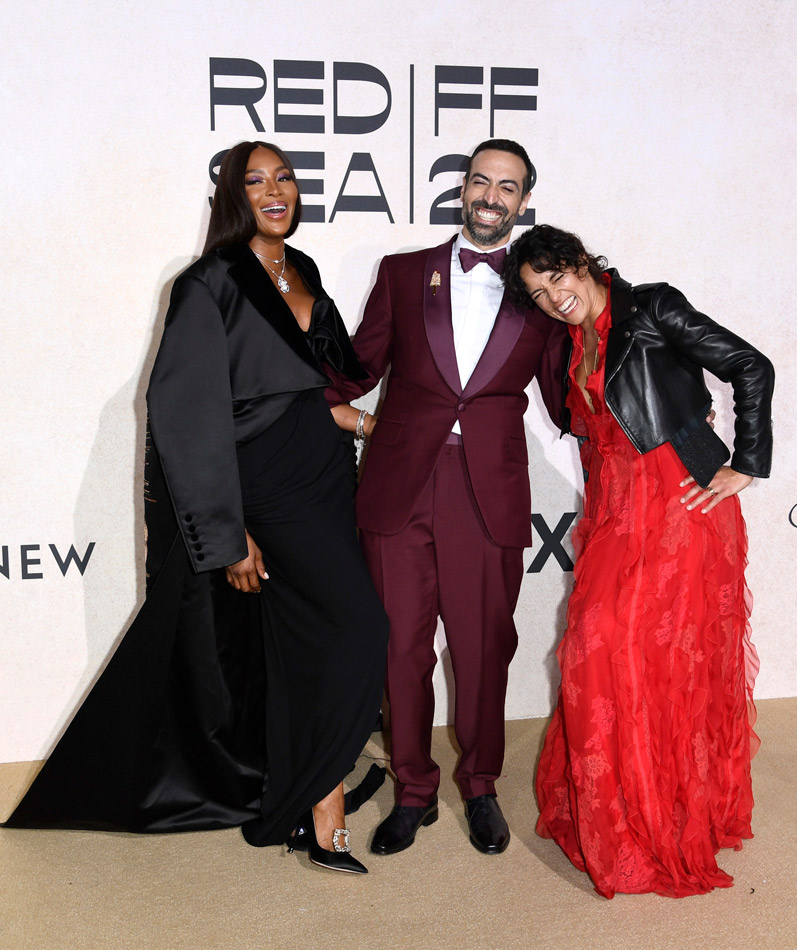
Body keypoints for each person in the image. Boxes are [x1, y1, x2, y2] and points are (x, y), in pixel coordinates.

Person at [5, 141, 389, 875]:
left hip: (323, 475)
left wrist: (373, 425)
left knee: (305, 646)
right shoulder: (207, 282)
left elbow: (311, 389)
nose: (275, 190)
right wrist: (226, 534)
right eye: (256, 180)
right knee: (361, 629)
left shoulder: (300, 268)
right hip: (267, 489)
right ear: (231, 196)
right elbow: (185, 416)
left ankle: (313, 803)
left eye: (284, 177)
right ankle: (317, 801)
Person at [503, 223, 774, 898]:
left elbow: (750, 365)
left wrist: (746, 462)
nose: (553, 297)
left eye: (556, 278)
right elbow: (585, 426)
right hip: (614, 511)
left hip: (678, 503)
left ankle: (669, 821)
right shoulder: (566, 340)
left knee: (664, 661)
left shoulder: (652, 306)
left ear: (579, 263)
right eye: (537, 293)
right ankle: (620, 817)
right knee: (597, 651)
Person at [326, 140, 569, 856]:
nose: (491, 196)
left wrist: (664, 413)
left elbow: (565, 399)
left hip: (486, 491)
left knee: (483, 648)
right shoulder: (403, 274)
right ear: (461, 189)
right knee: (401, 649)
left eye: (508, 186)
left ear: (524, 201)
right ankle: (412, 789)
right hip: (399, 484)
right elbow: (357, 363)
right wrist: (279, 382)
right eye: (480, 181)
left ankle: (481, 783)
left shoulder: (541, 293)